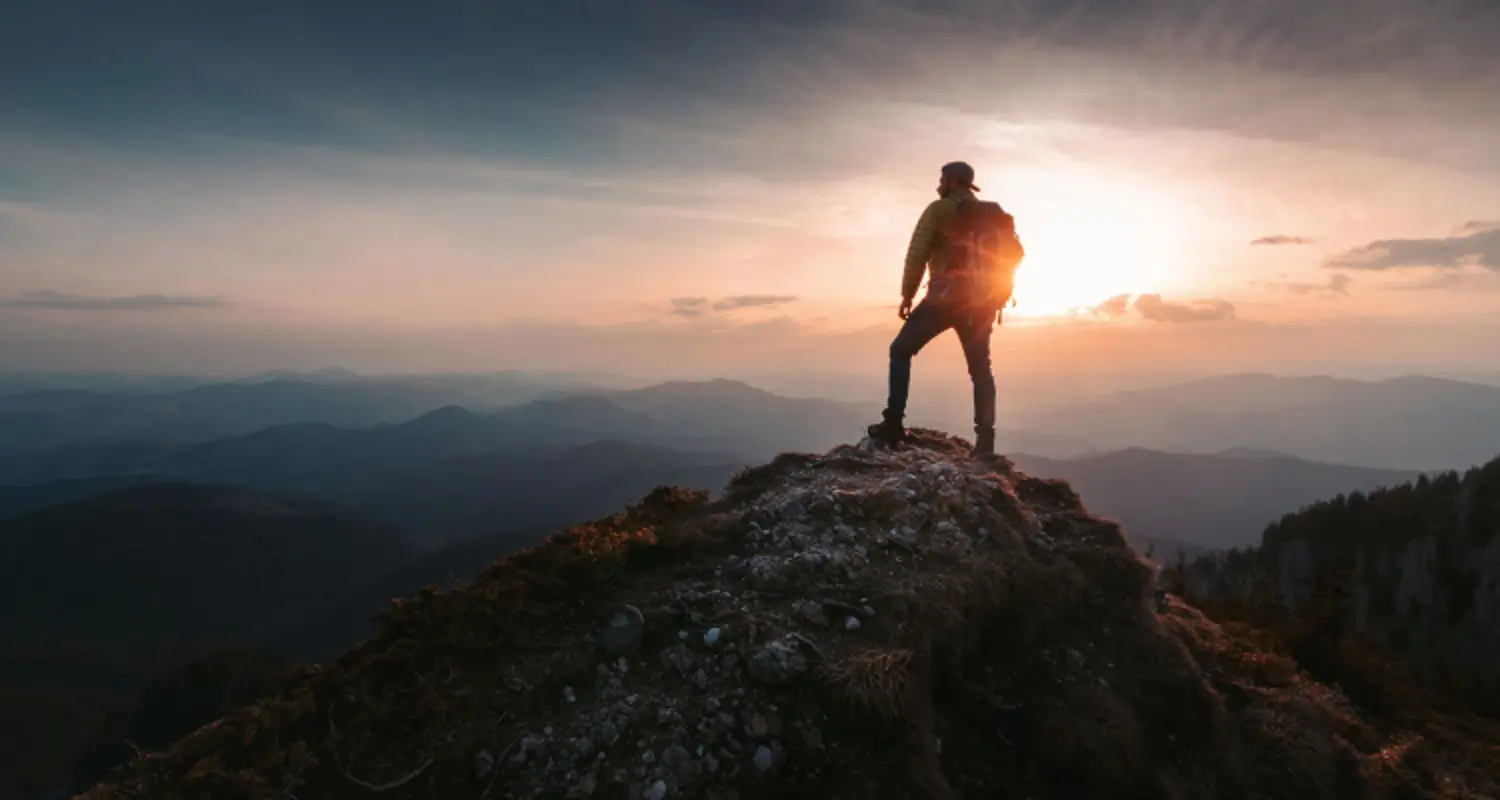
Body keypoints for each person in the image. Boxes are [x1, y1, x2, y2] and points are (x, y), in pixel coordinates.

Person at [866, 161, 1019, 457]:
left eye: (941, 178)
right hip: (981, 303)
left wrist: (908, 294)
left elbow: (917, 252)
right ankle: (985, 443)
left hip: (944, 299)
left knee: (900, 350)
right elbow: (1015, 255)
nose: (939, 183)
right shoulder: (995, 214)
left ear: (951, 180)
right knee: (980, 370)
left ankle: (893, 423)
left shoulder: (939, 210)